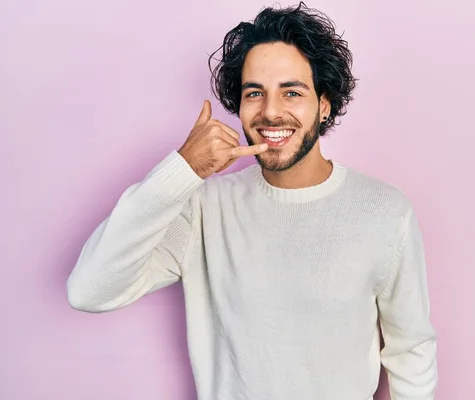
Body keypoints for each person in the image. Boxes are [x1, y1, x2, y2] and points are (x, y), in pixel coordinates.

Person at [66, 3, 438, 399]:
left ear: (323, 104)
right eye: (255, 93)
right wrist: (182, 170)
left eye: (291, 92)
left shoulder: (383, 211)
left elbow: (411, 350)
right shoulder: (204, 208)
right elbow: (89, 290)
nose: (271, 112)